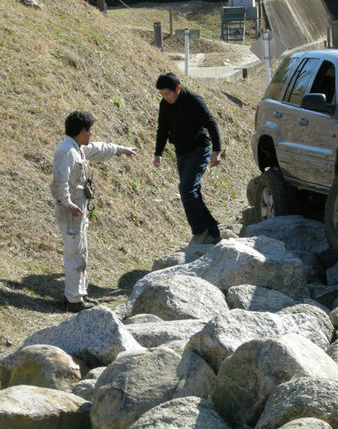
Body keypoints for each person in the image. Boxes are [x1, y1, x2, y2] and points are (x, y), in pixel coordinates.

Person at [51, 111, 137, 312]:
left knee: (80, 250)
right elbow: (59, 181)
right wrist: (67, 202)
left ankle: (78, 294)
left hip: (76, 208)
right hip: (71, 210)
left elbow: (98, 149)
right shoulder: (66, 152)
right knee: (76, 252)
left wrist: (120, 149)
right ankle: (74, 300)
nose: (91, 135)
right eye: (89, 131)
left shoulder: (76, 149)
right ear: (81, 131)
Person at [153, 72, 223, 245]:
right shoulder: (165, 105)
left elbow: (211, 123)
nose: (165, 98)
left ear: (178, 88)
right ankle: (213, 232)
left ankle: (200, 231)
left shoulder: (193, 100)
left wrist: (217, 150)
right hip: (181, 152)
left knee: (186, 189)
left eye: (167, 93)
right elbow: (162, 129)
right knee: (193, 192)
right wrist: (158, 153)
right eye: (162, 94)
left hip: (199, 149)